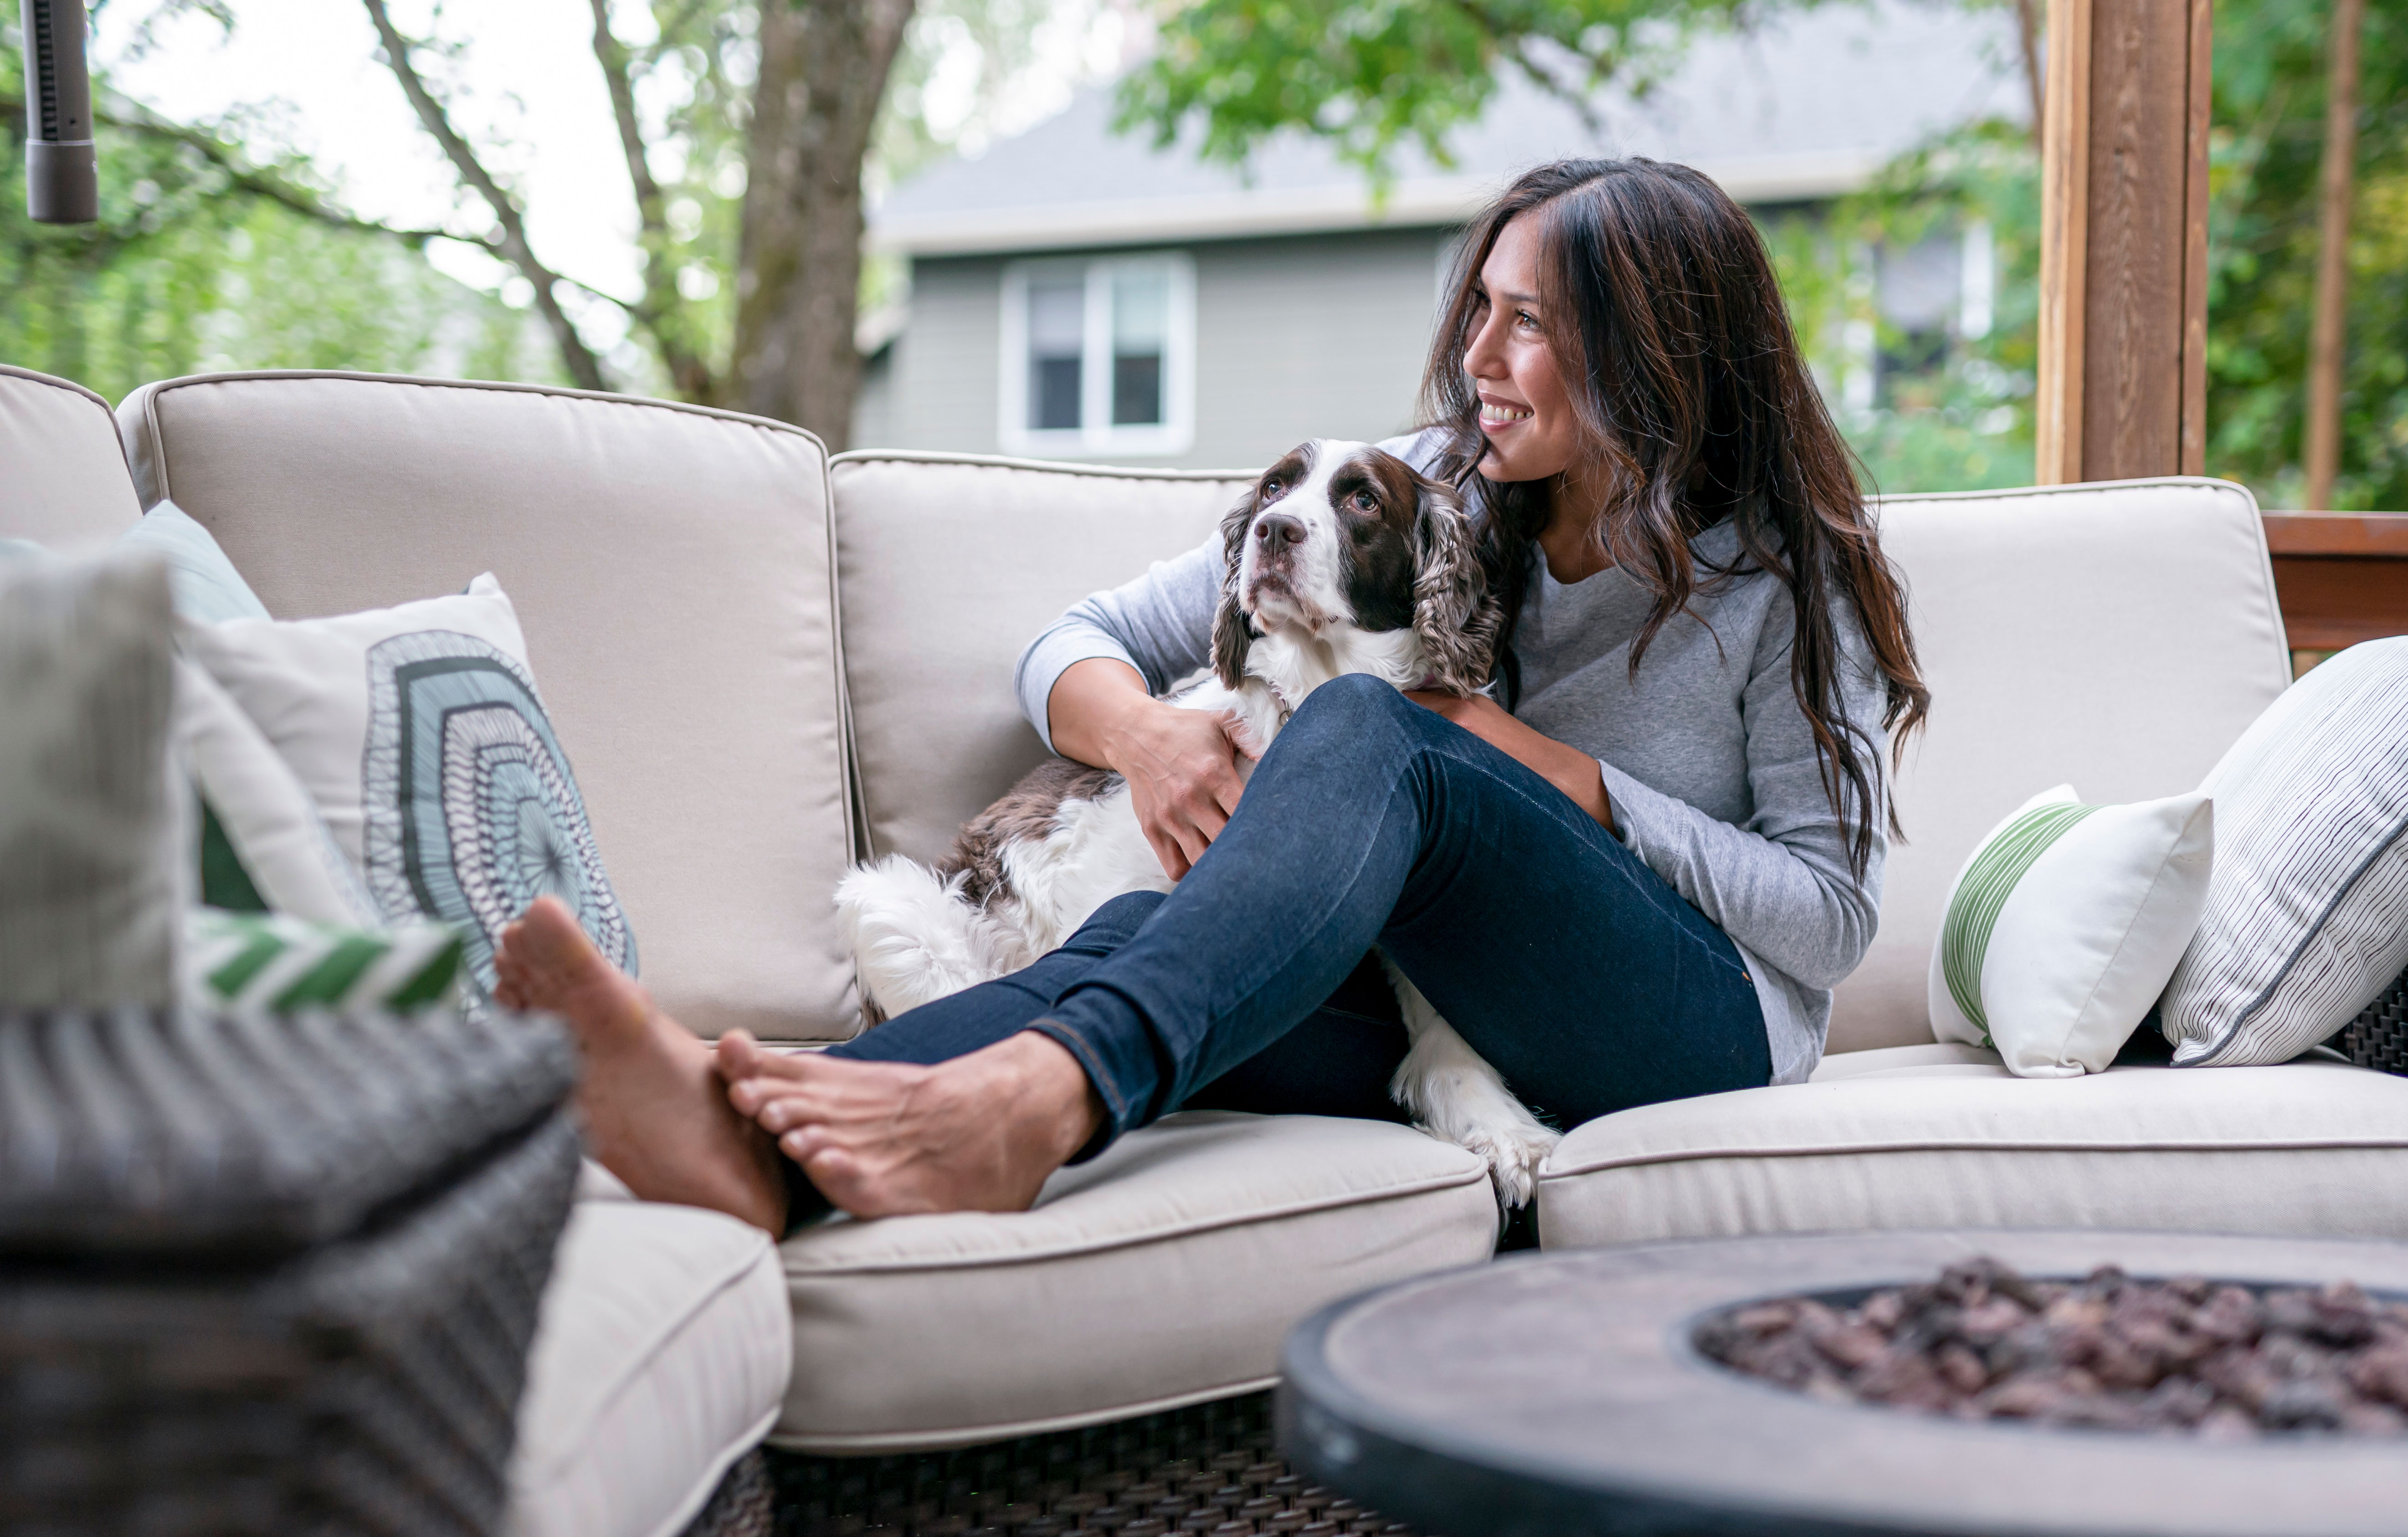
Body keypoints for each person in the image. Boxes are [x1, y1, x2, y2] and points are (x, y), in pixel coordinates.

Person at [493, 156, 1931, 1237]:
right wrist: (1149, 737)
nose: (1481, 359)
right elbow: (1076, 643)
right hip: (1455, 1010)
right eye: (1480, 310)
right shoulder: (1435, 490)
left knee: (1372, 723)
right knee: (1142, 924)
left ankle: (1044, 1102)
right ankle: (750, 1147)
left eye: (1533, 326)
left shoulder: (1780, 582)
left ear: (1652, 353)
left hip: (1689, 1029)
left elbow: (1829, 917)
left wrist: (1566, 778)